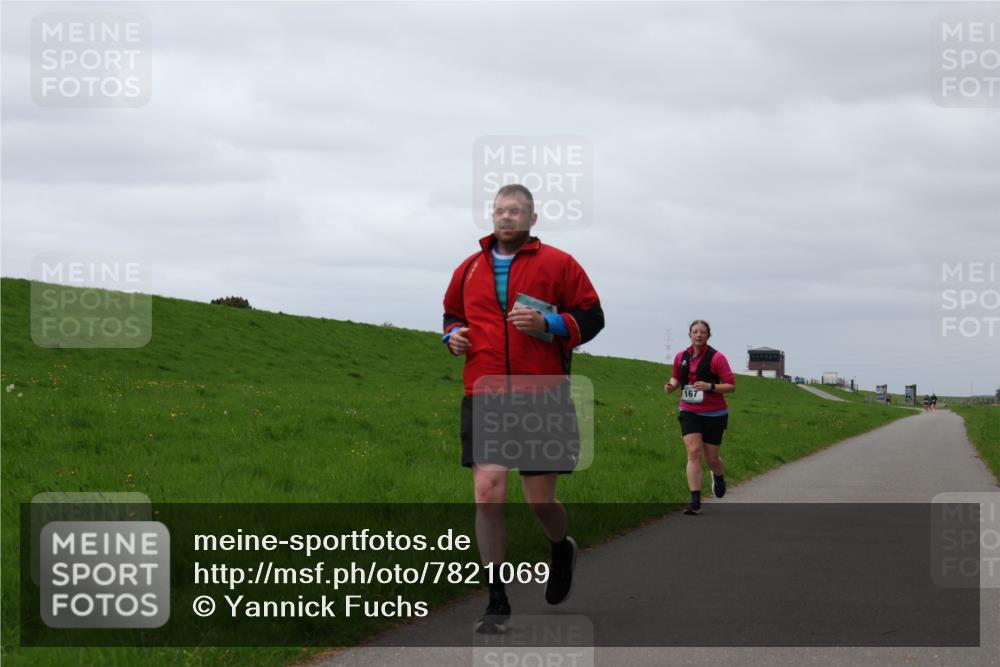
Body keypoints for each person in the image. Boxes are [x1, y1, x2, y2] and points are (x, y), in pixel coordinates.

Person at [442, 184, 604, 633]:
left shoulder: (559, 263)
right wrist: (452, 337)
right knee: (488, 491)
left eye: (515, 211)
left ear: (532, 219)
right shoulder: (468, 268)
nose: (505, 217)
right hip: (485, 392)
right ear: (491, 216)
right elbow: (451, 315)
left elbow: (592, 317)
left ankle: (560, 546)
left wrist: (549, 323)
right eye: (499, 211)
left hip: (542, 395)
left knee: (540, 501)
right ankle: (496, 600)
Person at [664, 320, 736, 515]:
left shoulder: (717, 358)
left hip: (715, 413)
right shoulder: (681, 356)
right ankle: (695, 500)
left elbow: (731, 385)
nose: (698, 335)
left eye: (702, 332)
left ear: (708, 335)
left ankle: (718, 475)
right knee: (694, 452)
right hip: (689, 411)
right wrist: (671, 386)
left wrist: (710, 386)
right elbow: (676, 377)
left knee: (712, 459)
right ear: (689, 335)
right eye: (695, 331)